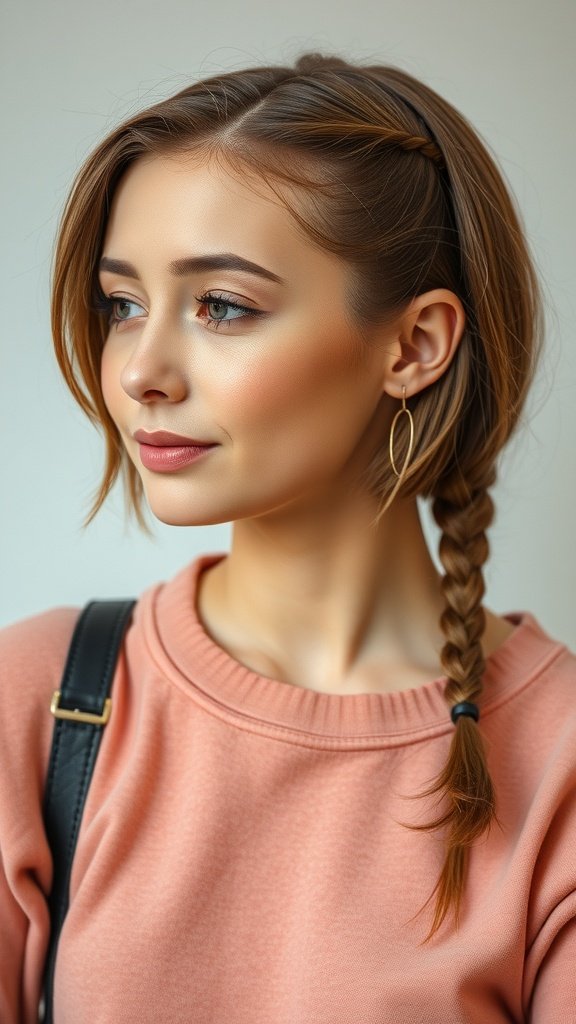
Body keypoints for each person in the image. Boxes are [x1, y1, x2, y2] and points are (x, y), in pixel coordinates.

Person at [1, 52, 575, 1024]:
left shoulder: (557, 758)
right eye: (122, 303)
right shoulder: (42, 698)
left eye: (222, 305)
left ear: (415, 346)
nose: (141, 368)